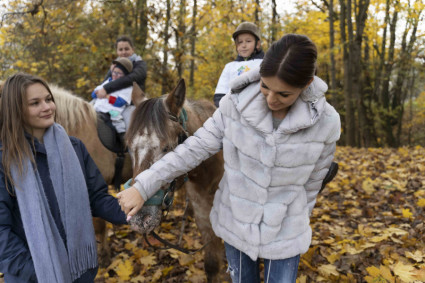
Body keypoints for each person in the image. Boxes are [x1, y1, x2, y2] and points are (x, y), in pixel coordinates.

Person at [117, 34, 341, 282]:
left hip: (286, 232)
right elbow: (195, 148)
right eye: (265, 87)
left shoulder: (326, 123)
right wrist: (144, 184)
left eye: (284, 94)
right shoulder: (235, 105)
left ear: (307, 83)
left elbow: (313, 182)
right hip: (237, 224)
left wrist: (298, 218)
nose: (271, 99)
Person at [0, 72, 127, 282]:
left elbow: (96, 199)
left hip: (79, 272)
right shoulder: (5, 160)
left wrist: (135, 213)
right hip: (32, 276)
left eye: (49, 99)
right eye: (35, 103)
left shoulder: (75, 148)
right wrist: (40, 272)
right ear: (17, 110)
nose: (48, 107)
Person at [213, 21, 264, 107]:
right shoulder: (229, 67)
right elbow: (220, 92)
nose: (243, 45)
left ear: (257, 44)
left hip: (256, 107)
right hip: (231, 109)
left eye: (248, 41)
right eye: (240, 42)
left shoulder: (263, 63)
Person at [95, 35, 147, 99]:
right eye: (120, 49)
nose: (124, 52)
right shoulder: (115, 65)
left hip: (132, 102)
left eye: (126, 49)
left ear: (133, 50)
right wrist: (99, 91)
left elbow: (130, 79)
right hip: (112, 100)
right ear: (117, 51)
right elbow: (105, 82)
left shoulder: (140, 64)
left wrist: (106, 88)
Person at [92, 57, 133, 136]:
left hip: (113, 111)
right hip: (97, 108)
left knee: (118, 123)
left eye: (119, 73)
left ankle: (122, 138)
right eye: (114, 72)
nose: (115, 75)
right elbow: (94, 94)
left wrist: (107, 96)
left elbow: (120, 102)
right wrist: (97, 93)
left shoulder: (127, 87)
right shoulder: (108, 81)